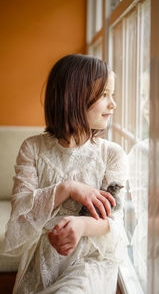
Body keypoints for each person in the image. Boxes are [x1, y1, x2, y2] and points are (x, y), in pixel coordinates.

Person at [1, 54, 128, 294]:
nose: (113, 104)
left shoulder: (112, 154)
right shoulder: (32, 148)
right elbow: (19, 219)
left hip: (91, 261)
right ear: (75, 97)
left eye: (113, 95)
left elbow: (115, 224)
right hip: (43, 262)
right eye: (104, 94)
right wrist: (67, 188)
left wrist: (81, 225)